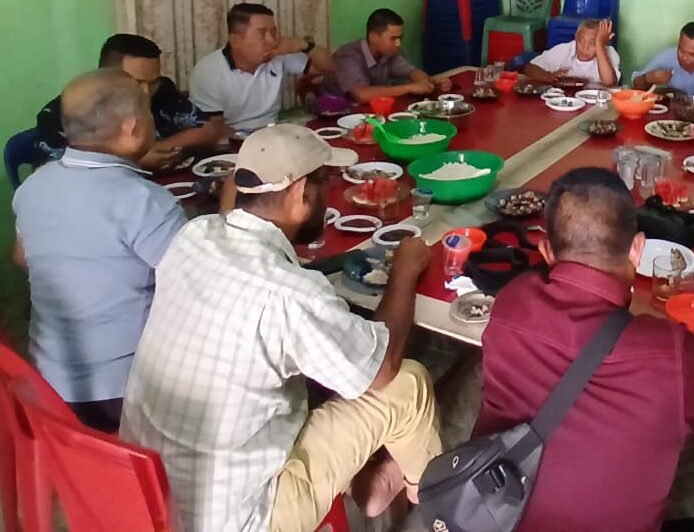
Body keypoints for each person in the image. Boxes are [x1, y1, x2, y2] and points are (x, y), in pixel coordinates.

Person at [119, 124, 441, 532]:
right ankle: (435, 504)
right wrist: (405, 272)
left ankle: (374, 484)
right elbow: (382, 369)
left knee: (319, 367)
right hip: (241, 518)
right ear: (301, 192)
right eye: (324, 182)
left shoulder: (193, 235)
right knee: (406, 384)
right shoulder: (290, 295)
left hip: (150, 494)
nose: (328, 194)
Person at [475, 167, 694, 532]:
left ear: (545, 250)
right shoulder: (669, 352)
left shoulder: (512, 302)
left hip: (497, 517)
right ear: (637, 249)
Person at [13, 69, 187, 433]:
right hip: (121, 391)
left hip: (48, 382)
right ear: (132, 127)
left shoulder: (34, 185)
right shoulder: (143, 201)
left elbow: (21, 258)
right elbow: (196, 287)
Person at [33, 33, 228, 170]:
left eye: (152, 82)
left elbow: (208, 129)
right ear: (107, 74)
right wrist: (135, 160)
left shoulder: (162, 90)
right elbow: (52, 176)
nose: (145, 92)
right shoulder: (67, 111)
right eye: (136, 82)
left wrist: (158, 147)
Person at [190, 3, 336, 132]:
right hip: (231, 143)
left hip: (272, 133)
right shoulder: (208, 71)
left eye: (273, 32)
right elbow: (213, 130)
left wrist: (305, 45)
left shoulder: (277, 55)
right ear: (235, 40)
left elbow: (329, 67)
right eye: (262, 34)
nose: (271, 40)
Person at [324, 8, 452, 102]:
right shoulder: (348, 56)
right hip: (334, 118)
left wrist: (428, 82)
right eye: (393, 38)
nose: (398, 43)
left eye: (400, 38)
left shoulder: (389, 53)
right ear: (373, 37)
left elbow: (412, 72)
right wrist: (410, 87)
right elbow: (361, 94)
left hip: (368, 114)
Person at [631, 22, 694, 98]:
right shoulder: (667, 56)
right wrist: (647, 79)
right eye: (681, 50)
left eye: (692, 54)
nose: (684, 57)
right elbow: (635, 85)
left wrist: (682, 97)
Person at [521, 18, 619, 86]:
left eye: (592, 43)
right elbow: (529, 68)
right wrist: (549, 76)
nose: (585, 47)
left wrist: (600, 46)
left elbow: (609, 82)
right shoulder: (565, 50)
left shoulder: (609, 53)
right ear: (576, 37)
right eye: (581, 40)